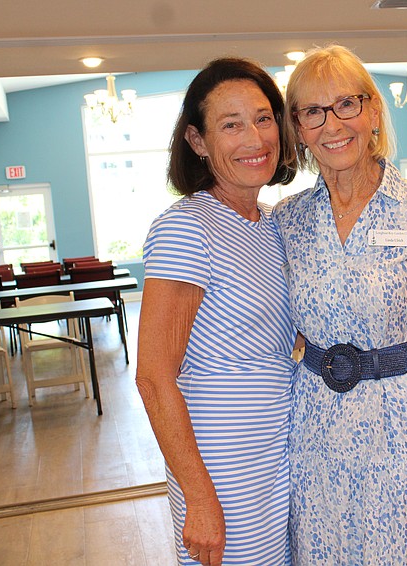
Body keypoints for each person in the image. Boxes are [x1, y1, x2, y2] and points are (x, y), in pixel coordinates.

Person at [273, 45, 407, 565]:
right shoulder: (286, 221)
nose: (332, 124)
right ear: (298, 129)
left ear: (371, 111)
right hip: (317, 434)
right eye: (313, 111)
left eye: (346, 104)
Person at [136, 57, 297, 566]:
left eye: (263, 118)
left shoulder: (273, 224)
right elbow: (153, 378)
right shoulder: (186, 228)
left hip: (282, 450)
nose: (255, 137)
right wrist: (200, 497)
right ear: (198, 141)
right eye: (231, 125)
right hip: (223, 464)